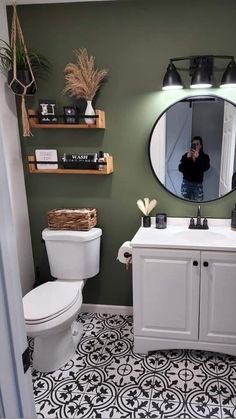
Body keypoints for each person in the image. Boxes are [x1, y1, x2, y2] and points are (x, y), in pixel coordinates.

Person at [178, 136, 210, 201]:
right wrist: (187, 159)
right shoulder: (186, 155)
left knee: (198, 204)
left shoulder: (205, 157)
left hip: (197, 184)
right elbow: (180, 168)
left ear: (201, 146)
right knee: (184, 203)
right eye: (193, 144)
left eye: (197, 144)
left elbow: (205, 168)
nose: (195, 146)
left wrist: (198, 158)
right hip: (186, 183)